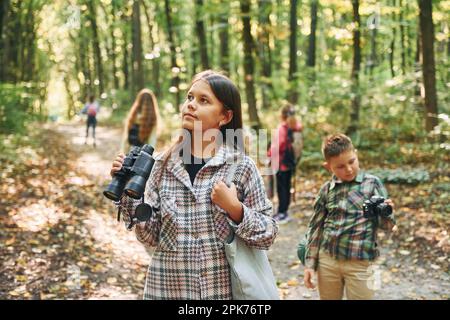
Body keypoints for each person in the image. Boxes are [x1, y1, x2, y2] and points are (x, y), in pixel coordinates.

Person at [110, 70, 278, 300]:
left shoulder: (240, 167)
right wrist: (130, 192)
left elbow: (268, 234)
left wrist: (235, 209)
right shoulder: (160, 165)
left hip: (222, 295)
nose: (191, 105)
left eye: (203, 100)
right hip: (168, 290)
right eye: (189, 97)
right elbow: (149, 236)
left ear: (225, 117)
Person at [303, 133, 397, 300]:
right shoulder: (326, 190)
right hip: (328, 262)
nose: (348, 169)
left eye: (352, 161)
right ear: (328, 167)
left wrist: (387, 212)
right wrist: (310, 264)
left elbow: (388, 226)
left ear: (356, 154)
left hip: (361, 262)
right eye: (339, 166)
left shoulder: (372, 184)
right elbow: (315, 228)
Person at [268, 104, 303, 224]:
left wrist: (269, 155)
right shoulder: (295, 127)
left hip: (280, 162)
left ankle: (282, 213)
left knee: (281, 188)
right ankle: (284, 211)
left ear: (282, 115)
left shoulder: (282, 128)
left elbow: (279, 144)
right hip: (289, 161)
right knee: (286, 187)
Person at [120, 88, 160, 153]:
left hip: (129, 152)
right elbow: (152, 142)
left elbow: (126, 139)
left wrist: (122, 153)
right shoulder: (153, 119)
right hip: (142, 155)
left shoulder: (133, 116)